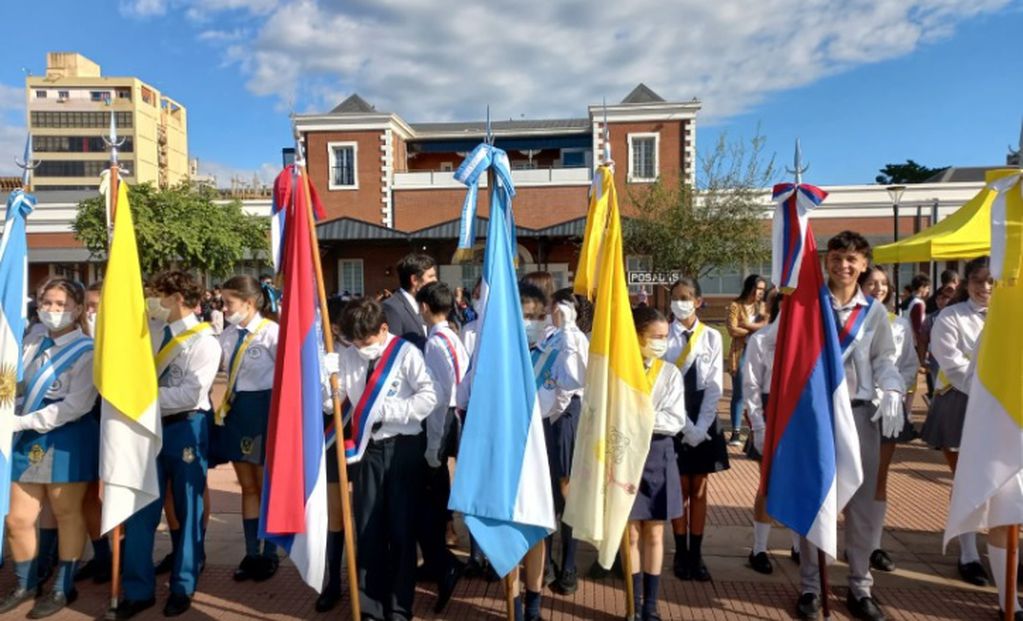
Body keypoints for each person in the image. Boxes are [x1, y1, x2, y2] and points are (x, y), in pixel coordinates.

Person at [795, 232, 906, 621]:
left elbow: (884, 360)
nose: (844, 265)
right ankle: (811, 586)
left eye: (853, 259)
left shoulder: (874, 312)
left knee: (860, 505)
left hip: (861, 415)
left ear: (864, 265)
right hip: (818, 415)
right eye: (838, 257)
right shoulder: (807, 305)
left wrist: (892, 386)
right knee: (816, 500)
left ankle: (860, 586)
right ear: (827, 260)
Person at [118, 270, 220, 619]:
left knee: (188, 509)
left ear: (177, 298)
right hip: (147, 429)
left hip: (184, 428)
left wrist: (139, 396)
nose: (153, 302)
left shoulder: (204, 341)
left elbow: (190, 394)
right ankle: (137, 589)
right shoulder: (153, 332)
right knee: (140, 510)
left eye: (158, 295)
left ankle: (183, 585)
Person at [0, 278, 98, 618]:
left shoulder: (87, 350)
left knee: (67, 513)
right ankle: (26, 583)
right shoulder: (30, 341)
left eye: (61, 304)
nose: (53, 310)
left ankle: (62, 586)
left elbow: (76, 406)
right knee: (17, 519)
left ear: (78, 309)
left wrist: (20, 422)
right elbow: (18, 385)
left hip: (67, 437)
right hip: (27, 438)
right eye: (48, 303)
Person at [336, 298, 437, 621]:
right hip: (366, 450)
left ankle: (398, 606)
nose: (359, 348)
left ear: (383, 329)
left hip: (402, 449)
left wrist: (388, 411)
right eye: (353, 342)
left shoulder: (405, 353)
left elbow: (428, 398)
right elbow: (332, 406)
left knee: (401, 530)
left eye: (365, 341)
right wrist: (327, 381)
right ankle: (370, 607)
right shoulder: (348, 355)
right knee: (367, 528)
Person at [920, 256, 992, 588]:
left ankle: (1006, 552)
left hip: (1006, 406)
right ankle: (968, 554)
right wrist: (990, 389)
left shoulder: (1012, 314)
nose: (986, 287)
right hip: (963, 401)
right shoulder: (951, 317)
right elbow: (952, 361)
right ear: (966, 282)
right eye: (979, 280)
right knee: (966, 480)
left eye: (992, 280)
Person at [215, 275, 280, 582]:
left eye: (229, 302)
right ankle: (251, 551)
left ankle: (270, 552)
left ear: (250, 303)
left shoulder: (271, 333)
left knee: (267, 484)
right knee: (248, 486)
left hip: (266, 412)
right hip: (239, 413)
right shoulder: (228, 336)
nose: (224, 308)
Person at [664, 277, 727, 583]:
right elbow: (662, 385)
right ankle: (680, 552)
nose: (681, 302)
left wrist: (701, 427)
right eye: (676, 297)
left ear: (699, 301)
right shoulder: (663, 336)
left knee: (699, 488)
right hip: (673, 415)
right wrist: (684, 426)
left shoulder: (712, 337)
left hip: (704, 415)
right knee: (679, 488)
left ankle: (697, 553)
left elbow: (715, 386)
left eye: (687, 297)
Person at [627, 306, 687, 621]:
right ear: (637, 335)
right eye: (656, 336)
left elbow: (674, 420)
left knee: (654, 532)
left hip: (658, 455)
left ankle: (651, 604)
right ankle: (633, 602)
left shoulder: (670, 373)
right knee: (631, 534)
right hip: (627, 456)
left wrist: (637, 417)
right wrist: (648, 417)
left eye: (665, 337)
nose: (662, 342)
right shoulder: (621, 370)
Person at [860, 266, 919, 573]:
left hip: (886, 411)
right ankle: (842, 540)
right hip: (855, 408)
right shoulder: (850, 320)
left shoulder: (900, 324)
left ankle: (873, 546)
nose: (878, 288)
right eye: (872, 282)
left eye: (883, 284)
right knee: (847, 478)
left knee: (878, 480)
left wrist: (892, 392)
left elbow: (909, 364)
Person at [414, 282, 468, 612]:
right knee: (436, 492)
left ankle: (443, 563)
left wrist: (433, 445)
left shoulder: (436, 342)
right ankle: (437, 562)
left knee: (431, 493)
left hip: (443, 419)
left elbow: (437, 396)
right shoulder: (453, 336)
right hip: (455, 414)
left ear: (424, 307)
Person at [742, 291, 801, 575]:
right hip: (770, 409)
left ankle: (798, 545)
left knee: (799, 484)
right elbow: (751, 385)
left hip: (800, 411)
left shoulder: (810, 340)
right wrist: (758, 424)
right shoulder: (762, 339)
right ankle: (759, 548)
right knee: (768, 484)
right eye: (785, 303)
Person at [542, 288, 589, 595]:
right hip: (542, 416)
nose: (558, 313)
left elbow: (574, 378)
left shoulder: (578, 339)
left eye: (565, 309)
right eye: (556, 307)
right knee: (544, 490)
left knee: (565, 489)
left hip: (567, 417)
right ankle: (545, 560)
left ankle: (569, 563)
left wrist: (569, 330)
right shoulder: (545, 337)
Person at [74, 281, 112, 586]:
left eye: (96, 306)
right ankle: (102, 556)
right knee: (88, 492)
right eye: (87, 306)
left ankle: (125, 556)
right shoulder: (78, 343)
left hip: (114, 418)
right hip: (85, 420)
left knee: (117, 490)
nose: (91, 312)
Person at [724, 275, 767, 445]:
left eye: (763, 290)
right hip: (741, 353)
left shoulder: (762, 307)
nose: (760, 293)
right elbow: (732, 329)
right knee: (740, 393)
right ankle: (735, 433)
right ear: (750, 288)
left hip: (758, 354)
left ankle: (754, 430)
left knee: (757, 393)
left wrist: (747, 327)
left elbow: (766, 326)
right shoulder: (736, 305)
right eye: (759, 289)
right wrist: (753, 331)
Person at [382, 253, 437, 350]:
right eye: (431, 276)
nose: (435, 280)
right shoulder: (392, 307)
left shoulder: (427, 305)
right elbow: (393, 351)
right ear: (414, 280)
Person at [903, 274, 931, 353]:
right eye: (927, 288)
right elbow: (918, 328)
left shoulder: (910, 301)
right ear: (921, 287)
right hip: (915, 344)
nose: (928, 291)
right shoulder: (918, 303)